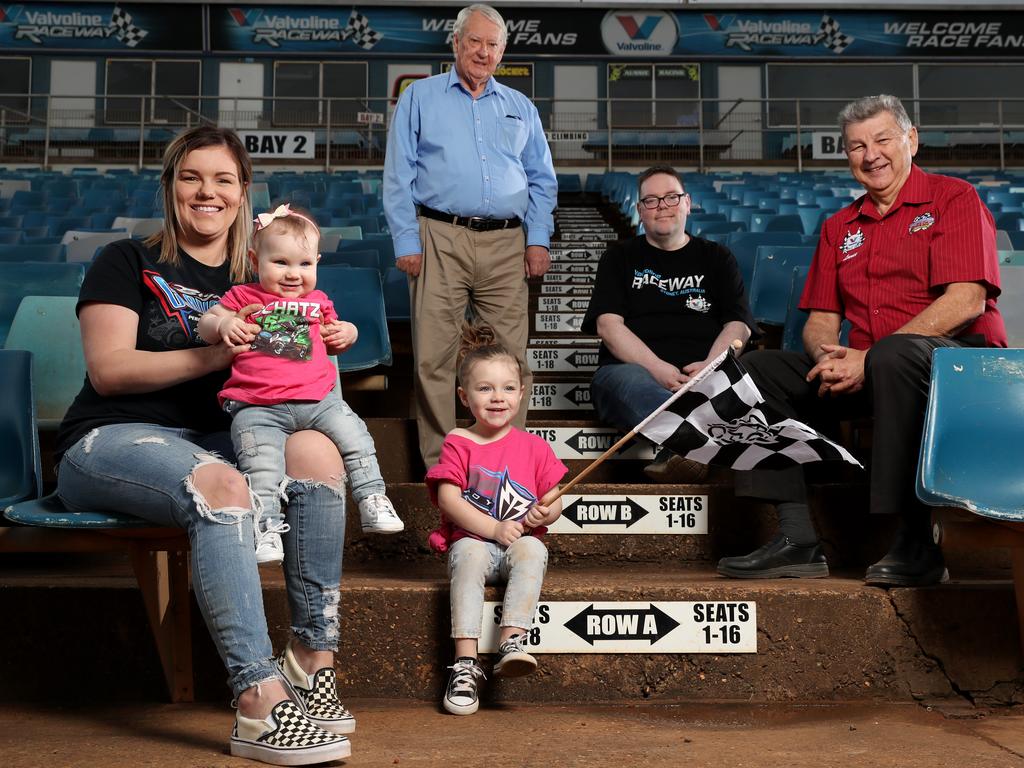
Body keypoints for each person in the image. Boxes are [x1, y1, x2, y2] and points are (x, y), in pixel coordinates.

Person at [54, 126, 355, 766]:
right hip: (112, 438)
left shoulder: (267, 274)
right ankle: (255, 699)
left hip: (219, 436)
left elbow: (295, 377)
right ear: (170, 187)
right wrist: (217, 351)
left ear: (245, 193)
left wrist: (329, 340)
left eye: (223, 179)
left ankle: (309, 659)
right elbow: (110, 370)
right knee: (221, 484)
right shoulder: (126, 260)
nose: (206, 192)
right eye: (191, 176)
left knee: (319, 455)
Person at [716, 94, 1006, 587]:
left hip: (958, 370)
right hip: (876, 367)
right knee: (751, 372)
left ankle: (918, 542)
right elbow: (820, 321)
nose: (871, 154)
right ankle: (797, 540)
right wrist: (830, 358)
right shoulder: (838, 227)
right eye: (856, 146)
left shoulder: (954, 199)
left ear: (911, 140)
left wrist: (867, 358)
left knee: (893, 353)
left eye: (883, 139)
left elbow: (966, 302)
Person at [383, 2, 558, 469]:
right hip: (439, 235)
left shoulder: (521, 108)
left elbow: (542, 179)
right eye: (474, 41)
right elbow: (398, 175)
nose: (483, 52)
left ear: (503, 52)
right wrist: (406, 240)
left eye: (492, 44)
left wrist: (538, 238)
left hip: (507, 243)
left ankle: (508, 462)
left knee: (511, 358)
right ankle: (445, 464)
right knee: (435, 358)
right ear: (456, 44)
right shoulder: (419, 97)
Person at [198, 203, 403, 564]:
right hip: (258, 406)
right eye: (281, 263)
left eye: (305, 265)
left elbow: (338, 332)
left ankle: (372, 498)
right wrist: (223, 325)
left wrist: (349, 332)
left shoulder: (318, 301)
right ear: (254, 259)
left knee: (356, 438)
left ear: (317, 263)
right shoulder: (244, 297)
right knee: (261, 467)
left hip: (318, 402)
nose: (294, 274)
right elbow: (207, 322)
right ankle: (266, 528)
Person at [424, 324, 567, 715]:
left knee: (533, 547)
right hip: (474, 543)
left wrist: (546, 510)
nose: (497, 397)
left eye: (507, 388)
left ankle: (511, 642)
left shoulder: (534, 447)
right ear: (464, 396)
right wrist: (492, 528)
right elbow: (449, 498)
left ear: (521, 394)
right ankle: (465, 663)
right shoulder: (459, 441)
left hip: (515, 546)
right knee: (468, 553)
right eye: (485, 388)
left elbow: (555, 500)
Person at [582, 165, 754, 483]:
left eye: (671, 197)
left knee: (753, 374)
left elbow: (738, 324)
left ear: (687, 203)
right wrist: (656, 367)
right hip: (633, 373)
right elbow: (608, 326)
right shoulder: (619, 257)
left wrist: (710, 368)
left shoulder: (717, 257)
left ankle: (682, 447)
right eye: (652, 200)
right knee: (631, 383)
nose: (662, 206)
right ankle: (692, 439)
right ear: (639, 209)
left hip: (705, 371)